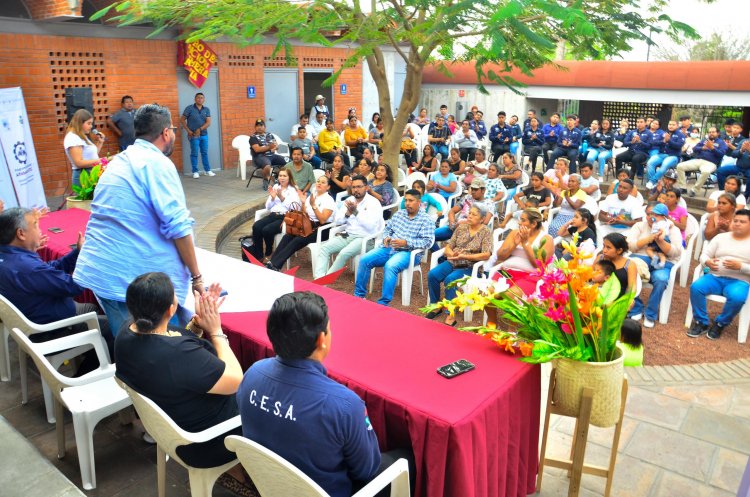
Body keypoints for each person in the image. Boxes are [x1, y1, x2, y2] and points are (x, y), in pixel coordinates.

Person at [238, 292, 413, 497]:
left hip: (268, 481)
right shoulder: (345, 405)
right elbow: (367, 469)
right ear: (322, 339)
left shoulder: (252, 373)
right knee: (406, 459)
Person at [74, 103, 203, 334]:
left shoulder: (118, 162)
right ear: (166, 133)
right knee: (154, 354)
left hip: (104, 273)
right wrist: (197, 277)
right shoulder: (156, 163)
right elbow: (179, 226)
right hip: (131, 282)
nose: (173, 134)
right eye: (172, 129)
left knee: (130, 347)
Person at [115, 273, 248, 486]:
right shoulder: (177, 355)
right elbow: (235, 380)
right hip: (203, 442)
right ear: (171, 309)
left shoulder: (126, 332)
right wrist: (216, 331)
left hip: (166, 426)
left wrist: (197, 322)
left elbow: (174, 345)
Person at [0, 207, 112, 357]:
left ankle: (93, 353)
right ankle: (85, 374)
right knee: (117, 331)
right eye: (35, 224)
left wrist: (76, 253)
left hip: (30, 323)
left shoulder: (8, 256)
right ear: (21, 233)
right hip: (51, 331)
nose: (39, 230)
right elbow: (74, 286)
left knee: (91, 308)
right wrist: (89, 258)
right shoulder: (28, 267)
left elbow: (47, 271)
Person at [354, 189, 435, 306]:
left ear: (419, 202)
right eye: (406, 200)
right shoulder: (399, 214)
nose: (407, 203)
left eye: (411, 200)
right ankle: (359, 296)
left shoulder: (426, 220)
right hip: (390, 248)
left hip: (409, 253)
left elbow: (427, 242)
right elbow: (388, 229)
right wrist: (386, 237)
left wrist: (406, 242)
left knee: (390, 265)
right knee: (365, 260)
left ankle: (383, 303)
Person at [687, 209, 750, 340]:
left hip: (739, 281)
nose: (737, 224)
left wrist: (741, 267)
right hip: (715, 276)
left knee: (737, 298)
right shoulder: (721, 238)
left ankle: (720, 323)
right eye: (735, 220)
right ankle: (701, 322)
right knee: (696, 287)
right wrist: (708, 262)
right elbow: (704, 255)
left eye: (742, 222)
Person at [426, 205, 492, 325]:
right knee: (432, 275)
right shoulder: (461, 227)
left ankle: (451, 314)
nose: (470, 216)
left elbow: (486, 255)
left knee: (450, 280)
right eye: (469, 213)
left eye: (474, 214)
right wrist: (452, 253)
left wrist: (465, 257)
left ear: (482, 219)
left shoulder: (486, 232)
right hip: (454, 261)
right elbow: (448, 247)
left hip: (471, 267)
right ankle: (436, 305)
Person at [313, 175, 384, 279]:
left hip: (365, 238)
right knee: (324, 249)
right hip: (348, 235)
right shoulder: (350, 200)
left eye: (359, 187)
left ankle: (326, 280)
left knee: (343, 254)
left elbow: (371, 227)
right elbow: (337, 221)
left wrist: (355, 212)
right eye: (354, 187)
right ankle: (318, 279)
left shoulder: (374, 203)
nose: (356, 190)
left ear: (366, 187)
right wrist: (347, 214)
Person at [626, 202, 683, 328]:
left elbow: (676, 253)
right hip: (641, 257)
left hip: (665, 261)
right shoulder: (639, 225)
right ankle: (636, 308)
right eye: (648, 214)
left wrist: (660, 240)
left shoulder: (672, 229)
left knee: (661, 279)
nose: (651, 217)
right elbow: (630, 245)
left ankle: (650, 314)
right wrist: (650, 238)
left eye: (655, 214)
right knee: (628, 270)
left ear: (663, 216)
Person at [266, 175, 336, 272]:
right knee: (288, 236)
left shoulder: (329, 200)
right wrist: (303, 203)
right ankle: (272, 261)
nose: (319, 183)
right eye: (318, 181)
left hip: (322, 229)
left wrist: (313, 205)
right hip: (308, 225)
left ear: (328, 187)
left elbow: (323, 220)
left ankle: (276, 265)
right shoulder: (313, 195)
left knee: (298, 240)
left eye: (323, 182)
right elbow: (305, 214)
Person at [492, 208, 554, 295]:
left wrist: (525, 243)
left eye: (523, 220)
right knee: (489, 293)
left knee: (508, 296)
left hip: (530, 276)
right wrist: (514, 245)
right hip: (507, 272)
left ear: (533, 224)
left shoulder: (546, 239)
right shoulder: (514, 233)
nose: (519, 223)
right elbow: (500, 257)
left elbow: (539, 265)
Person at [247, 168, 300, 262]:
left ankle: (268, 252)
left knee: (267, 230)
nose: (282, 178)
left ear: (289, 178)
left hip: (285, 217)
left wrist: (281, 197)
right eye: (280, 176)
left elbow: (295, 208)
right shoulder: (275, 186)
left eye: (284, 176)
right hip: (273, 214)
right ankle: (259, 255)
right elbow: (267, 207)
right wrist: (272, 198)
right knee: (256, 226)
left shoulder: (293, 189)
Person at [432, 177, 494, 250]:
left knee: (458, 250)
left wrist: (464, 223)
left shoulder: (489, 204)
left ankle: (445, 258)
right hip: (455, 228)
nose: (473, 191)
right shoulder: (467, 198)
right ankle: (441, 259)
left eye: (476, 189)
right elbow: (452, 211)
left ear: (483, 190)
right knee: (428, 237)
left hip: (470, 233)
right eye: (472, 189)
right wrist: (452, 223)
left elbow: (485, 222)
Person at [676, 126, 726, 197]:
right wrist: (703, 148)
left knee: (705, 172)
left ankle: (694, 190)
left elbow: (721, 154)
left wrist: (712, 148)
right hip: (698, 160)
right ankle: (683, 187)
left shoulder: (721, 143)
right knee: (680, 166)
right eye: (710, 132)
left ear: (717, 133)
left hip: (711, 163)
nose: (711, 133)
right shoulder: (704, 140)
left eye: (713, 132)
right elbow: (695, 148)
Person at [64, 108, 104, 188]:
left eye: (91, 123)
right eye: (88, 123)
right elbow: (79, 163)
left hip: (91, 172)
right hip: (83, 175)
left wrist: (100, 142)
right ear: (79, 123)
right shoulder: (73, 138)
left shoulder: (81, 135)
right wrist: (101, 161)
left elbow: (91, 156)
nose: (91, 126)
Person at [180, 92, 214, 179]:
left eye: (202, 98)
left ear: (204, 99)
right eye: (198, 98)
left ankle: (207, 170)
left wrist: (200, 129)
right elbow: (182, 120)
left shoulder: (206, 109)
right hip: (193, 135)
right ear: (195, 99)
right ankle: (195, 171)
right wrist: (188, 130)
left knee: (204, 153)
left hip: (204, 135)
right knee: (194, 153)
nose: (200, 99)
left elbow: (208, 122)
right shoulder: (189, 108)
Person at [596, 233, 637, 301]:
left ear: (619, 250)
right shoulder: (600, 258)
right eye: (604, 246)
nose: (604, 250)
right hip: (598, 298)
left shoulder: (629, 264)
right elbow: (591, 277)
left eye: (608, 247)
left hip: (618, 302)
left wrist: (627, 301)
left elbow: (632, 287)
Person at [645, 120, 685, 189]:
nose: (671, 126)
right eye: (669, 124)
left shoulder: (680, 134)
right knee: (650, 162)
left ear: (677, 126)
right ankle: (654, 183)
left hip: (673, 156)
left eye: (673, 125)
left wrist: (669, 141)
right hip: (662, 154)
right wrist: (663, 141)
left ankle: (652, 181)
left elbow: (679, 146)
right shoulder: (664, 133)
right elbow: (655, 142)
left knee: (665, 164)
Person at [250, 119, 288, 190]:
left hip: (272, 156)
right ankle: (266, 179)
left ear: (265, 127)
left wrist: (275, 147)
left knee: (287, 162)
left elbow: (276, 146)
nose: (259, 127)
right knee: (267, 166)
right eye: (257, 126)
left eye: (261, 125)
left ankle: (279, 178)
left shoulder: (270, 135)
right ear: (255, 127)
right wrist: (269, 147)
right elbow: (257, 149)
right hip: (260, 157)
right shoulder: (253, 137)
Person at [644, 203, 673, 269]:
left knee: (648, 249)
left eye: (656, 216)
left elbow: (662, 230)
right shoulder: (666, 221)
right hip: (662, 238)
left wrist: (661, 237)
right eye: (652, 214)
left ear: (663, 216)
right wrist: (669, 226)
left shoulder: (659, 223)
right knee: (661, 253)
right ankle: (662, 263)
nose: (653, 217)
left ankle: (654, 257)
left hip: (659, 238)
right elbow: (671, 224)